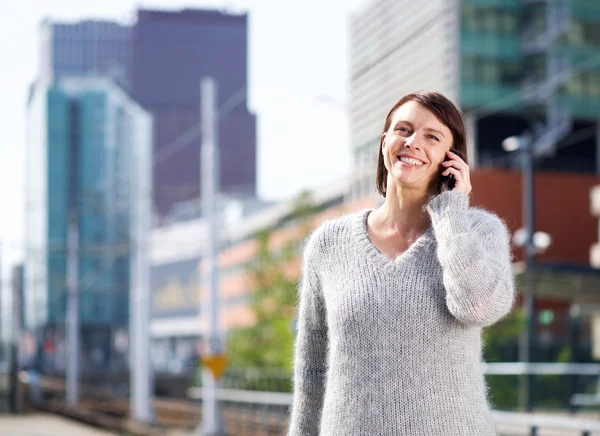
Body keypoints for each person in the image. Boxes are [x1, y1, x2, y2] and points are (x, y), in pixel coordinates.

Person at [287, 91, 515, 435]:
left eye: (432, 137)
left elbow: (479, 307)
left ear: (450, 158)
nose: (412, 142)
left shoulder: (479, 231)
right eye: (403, 130)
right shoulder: (328, 244)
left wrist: (452, 211)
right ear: (384, 143)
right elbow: (312, 372)